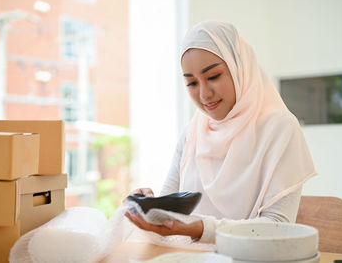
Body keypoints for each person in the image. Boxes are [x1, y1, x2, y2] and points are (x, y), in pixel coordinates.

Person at [125, 20, 316, 243]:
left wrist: (199, 229)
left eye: (213, 76)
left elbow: (278, 226)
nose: (204, 94)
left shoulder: (279, 128)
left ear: (240, 68)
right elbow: (170, 207)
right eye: (192, 83)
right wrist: (147, 207)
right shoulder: (193, 131)